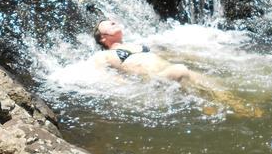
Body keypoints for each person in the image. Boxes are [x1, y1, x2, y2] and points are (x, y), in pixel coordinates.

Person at [91, 18, 263, 117]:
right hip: (154, 79)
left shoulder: (138, 44)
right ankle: (238, 108)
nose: (113, 21)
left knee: (214, 83)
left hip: (168, 70)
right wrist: (129, 90)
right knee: (180, 70)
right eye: (108, 23)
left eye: (113, 20)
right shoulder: (104, 55)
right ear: (102, 38)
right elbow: (105, 76)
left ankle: (231, 105)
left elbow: (168, 54)